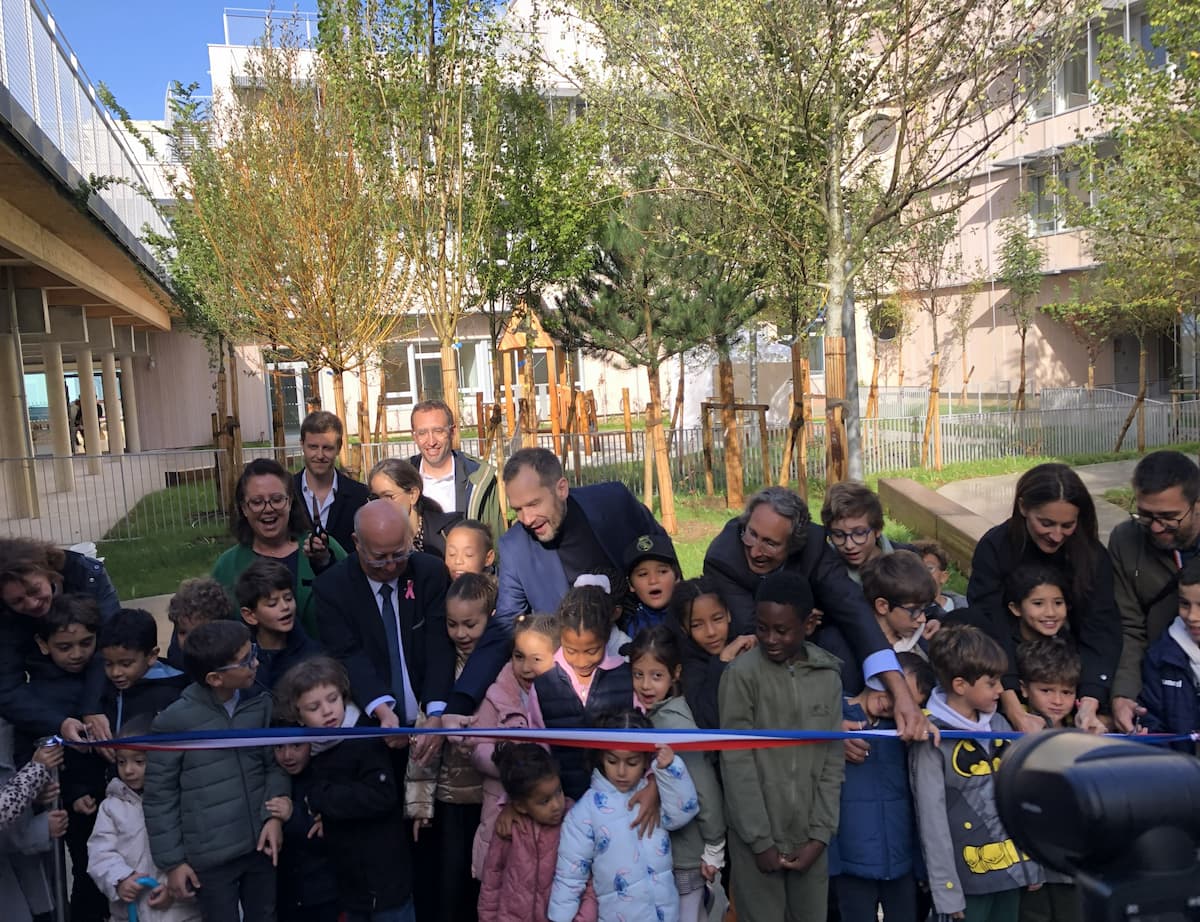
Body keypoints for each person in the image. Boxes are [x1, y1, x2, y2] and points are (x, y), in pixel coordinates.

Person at [449, 448, 666, 717]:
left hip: (649, 670)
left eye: (533, 504)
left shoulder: (614, 503)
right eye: (518, 509)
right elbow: (504, 624)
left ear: (561, 488)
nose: (526, 519)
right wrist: (461, 701)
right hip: (575, 686)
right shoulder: (515, 547)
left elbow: (663, 560)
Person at [703, 486, 928, 739]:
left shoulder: (813, 545)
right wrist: (818, 722)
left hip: (812, 639)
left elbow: (852, 609)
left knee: (841, 644)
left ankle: (856, 720)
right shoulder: (723, 560)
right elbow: (758, 636)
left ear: (794, 545)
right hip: (752, 655)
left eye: (770, 543)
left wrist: (901, 694)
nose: (755, 551)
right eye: (751, 534)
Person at [718, 571, 845, 922]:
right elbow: (736, 762)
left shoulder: (828, 676)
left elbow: (833, 760)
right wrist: (760, 841)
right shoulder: (742, 676)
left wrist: (820, 836)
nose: (770, 639)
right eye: (762, 628)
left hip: (810, 840)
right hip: (756, 842)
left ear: (808, 624)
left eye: (782, 630)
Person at [143, 620, 287, 920]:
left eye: (254, 652)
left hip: (261, 844)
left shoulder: (260, 703)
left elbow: (274, 764)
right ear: (215, 678)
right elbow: (160, 797)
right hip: (210, 858)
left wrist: (273, 816)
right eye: (246, 660)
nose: (256, 662)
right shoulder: (174, 722)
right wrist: (172, 863)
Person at [967, 463, 1119, 734]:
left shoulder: (1092, 556)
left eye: (1068, 525)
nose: (1056, 535)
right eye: (1046, 523)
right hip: (1005, 673)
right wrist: (1014, 709)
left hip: (1070, 673)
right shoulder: (995, 548)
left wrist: (1089, 702)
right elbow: (990, 629)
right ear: (1023, 507)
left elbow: (1101, 629)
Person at [910, 624, 1041, 922]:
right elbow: (932, 820)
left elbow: (1018, 800)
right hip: (965, 885)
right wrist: (946, 892)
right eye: (992, 683)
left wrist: (1029, 865)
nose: (1000, 690)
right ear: (960, 685)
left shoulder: (1002, 727)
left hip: (1010, 876)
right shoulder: (932, 738)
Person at [314, 499, 454, 766]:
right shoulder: (332, 588)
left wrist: (436, 713)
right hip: (372, 727)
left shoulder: (430, 573)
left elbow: (439, 644)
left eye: (399, 553)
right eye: (378, 557)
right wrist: (383, 711)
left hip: (431, 718)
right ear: (357, 543)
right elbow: (347, 655)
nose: (391, 565)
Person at [273, 656, 411, 922]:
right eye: (314, 706)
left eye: (333, 699)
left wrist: (321, 800)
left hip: (383, 874)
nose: (327, 711)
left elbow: (382, 796)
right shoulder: (315, 749)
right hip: (349, 879)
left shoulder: (364, 738)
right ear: (297, 714)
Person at [549, 709, 699, 922]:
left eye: (632, 763)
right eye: (612, 761)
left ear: (646, 758)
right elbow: (569, 876)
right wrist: (559, 918)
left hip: (667, 914)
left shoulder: (654, 793)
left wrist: (670, 769)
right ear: (601, 756)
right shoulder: (585, 812)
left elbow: (684, 812)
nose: (621, 771)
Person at [405, 574, 491, 922]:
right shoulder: (441, 669)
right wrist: (419, 805)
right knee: (451, 885)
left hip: (489, 799)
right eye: (453, 625)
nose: (461, 634)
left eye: (471, 624)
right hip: (449, 799)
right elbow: (422, 748)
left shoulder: (498, 665)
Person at [629, 627, 726, 922]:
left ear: (676, 673)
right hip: (672, 851)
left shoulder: (673, 722)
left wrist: (714, 846)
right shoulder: (656, 715)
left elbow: (704, 784)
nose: (645, 685)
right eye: (638, 674)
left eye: (656, 676)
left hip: (686, 853)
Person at [27, 595, 108, 922]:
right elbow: (40, 752)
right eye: (65, 646)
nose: (77, 654)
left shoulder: (106, 673)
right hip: (74, 801)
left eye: (86, 643)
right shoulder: (37, 696)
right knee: (88, 872)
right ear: (43, 645)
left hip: (117, 791)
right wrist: (72, 793)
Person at [1109, 450, 1200, 731]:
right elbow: (1128, 626)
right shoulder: (1126, 540)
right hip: (1160, 686)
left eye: (1169, 517)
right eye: (1146, 516)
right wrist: (1124, 693)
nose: (1157, 527)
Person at [0, 537, 120, 744]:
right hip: (45, 681)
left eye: (35, 591)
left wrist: (91, 707)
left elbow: (112, 646)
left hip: (101, 668)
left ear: (50, 574)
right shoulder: (5, 618)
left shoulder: (87, 576)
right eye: (17, 601)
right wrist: (59, 723)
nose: (32, 604)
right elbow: (7, 687)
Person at [469, 613, 560, 878]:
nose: (526, 667)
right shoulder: (496, 694)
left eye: (537, 659)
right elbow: (477, 748)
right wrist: (511, 764)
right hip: (501, 816)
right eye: (519, 657)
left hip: (548, 816)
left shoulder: (564, 697)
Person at [213, 459, 347, 639]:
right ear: (244, 508)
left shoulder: (324, 548)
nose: (268, 509)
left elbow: (356, 601)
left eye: (277, 500)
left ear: (290, 502)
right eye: (257, 502)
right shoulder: (227, 566)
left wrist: (326, 565)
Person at [87, 717, 202, 922]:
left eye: (139, 762)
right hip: (128, 913)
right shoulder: (112, 807)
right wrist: (120, 879)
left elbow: (196, 850)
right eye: (121, 762)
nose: (128, 770)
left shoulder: (182, 800)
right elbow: (100, 852)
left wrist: (173, 889)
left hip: (178, 913)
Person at [528, 584, 634, 800]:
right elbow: (538, 747)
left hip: (621, 801)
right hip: (564, 802)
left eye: (591, 651)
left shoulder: (626, 678)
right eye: (571, 651)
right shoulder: (543, 685)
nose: (581, 661)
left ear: (606, 639)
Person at [829, 684, 919, 922]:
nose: (891, 703)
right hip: (849, 859)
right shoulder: (830, 716)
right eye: (894, 692)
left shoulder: (904, 733)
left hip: (900, 858)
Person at [478, 743, 596, 922]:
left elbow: (590, 881)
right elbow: (492, 880)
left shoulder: (575, 822)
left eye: (558, 792)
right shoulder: (508, 827)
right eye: (544, 801)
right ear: (520, 805)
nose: (557, 805)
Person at [409, 399, 505, 541]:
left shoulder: (479, 478)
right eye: (422, 433)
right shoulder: (401, 479)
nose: (431, 441)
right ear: (414, 436)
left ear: (452, 431)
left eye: (438, 431)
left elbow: (495, 540)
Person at [270, 739, 339, 922]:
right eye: (279, 746)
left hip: (324, 895)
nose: (287, 755)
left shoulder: (325, 779)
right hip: (284, 896)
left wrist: (293, 816)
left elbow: (330, 838)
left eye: (296, 745)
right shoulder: (269, 783)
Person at [672, 578, 756, 730]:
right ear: (684, 628)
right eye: (697, 625)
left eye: (717, 619)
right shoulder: (690, 667)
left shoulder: (749, 646)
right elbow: (709, 720)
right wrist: (722, 662)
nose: (711, 632)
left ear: (728, 614)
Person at [1138, 555, 1200, 754]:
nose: (1192, 617)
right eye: (1184, 604)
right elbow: (1152, 720)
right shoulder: (1161, 656)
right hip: (1180, 775)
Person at [97, 608, 189, 735]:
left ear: (152, 655)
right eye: (108, 663)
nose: (115, 672)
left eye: (126, 664)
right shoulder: (103, 686)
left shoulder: (172, 696)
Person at [236, 559, 322, 691]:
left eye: (288, 598)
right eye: (272, 604)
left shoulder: (314, 657)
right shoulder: (239, 663)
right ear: (250, 615)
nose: (285, 607)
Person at [293, 410, 371, 557]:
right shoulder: (286, 493)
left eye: (327, 448)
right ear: (302, 445)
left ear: (339, 447)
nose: (320, 455)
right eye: (313, 447)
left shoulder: (360, 496)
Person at [367, 457, 463, 559]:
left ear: (413, 495)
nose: (381, 505)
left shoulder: (451, 531)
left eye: (389, 496)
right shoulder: (371, 541)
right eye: (375, 498)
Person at [821, 481, 909, 582]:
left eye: (859, 533)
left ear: (877, 529)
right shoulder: (822, 567)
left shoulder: (911, 560)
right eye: (838, 535)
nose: (849, 545)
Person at [862, 550, 938, 656]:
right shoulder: (861, 649)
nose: (922, 619)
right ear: (882, 606)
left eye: (924, 608)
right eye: (914, 610)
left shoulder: (922, 638)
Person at [623, 534, 682, 638]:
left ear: (677, 577)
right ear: (630, 585)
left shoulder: (692, 614)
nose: (653, 580)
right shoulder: (628, 625)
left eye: (662, 571)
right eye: (643, 574)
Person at [1017, 636, 1080, 731]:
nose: (1057, 701)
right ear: (1024, 688)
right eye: (1046, 691)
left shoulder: (1080, 728)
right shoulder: (1007, 727)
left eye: (1066, 692)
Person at [165, 577, 236, 660]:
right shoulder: (177, 658)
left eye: (197, 633)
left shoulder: (236, 662)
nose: (188, 641)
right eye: (182, 632)